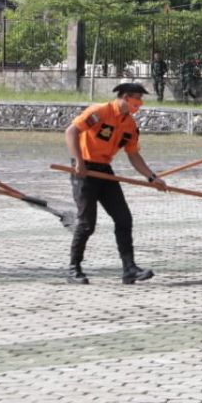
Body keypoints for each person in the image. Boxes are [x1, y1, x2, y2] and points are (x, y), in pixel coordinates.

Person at [65, 81, 166, 285]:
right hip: (84, 171)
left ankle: (129, 269)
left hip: (105, 172)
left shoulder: (129, 124)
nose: (140, 104)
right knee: (86, 224)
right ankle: (73, 268)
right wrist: (79, 161)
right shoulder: (100, 112)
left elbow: (134, 155)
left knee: (123, 218)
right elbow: (71, 132)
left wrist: (152, 177)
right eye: (137, 99)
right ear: (126, 97)